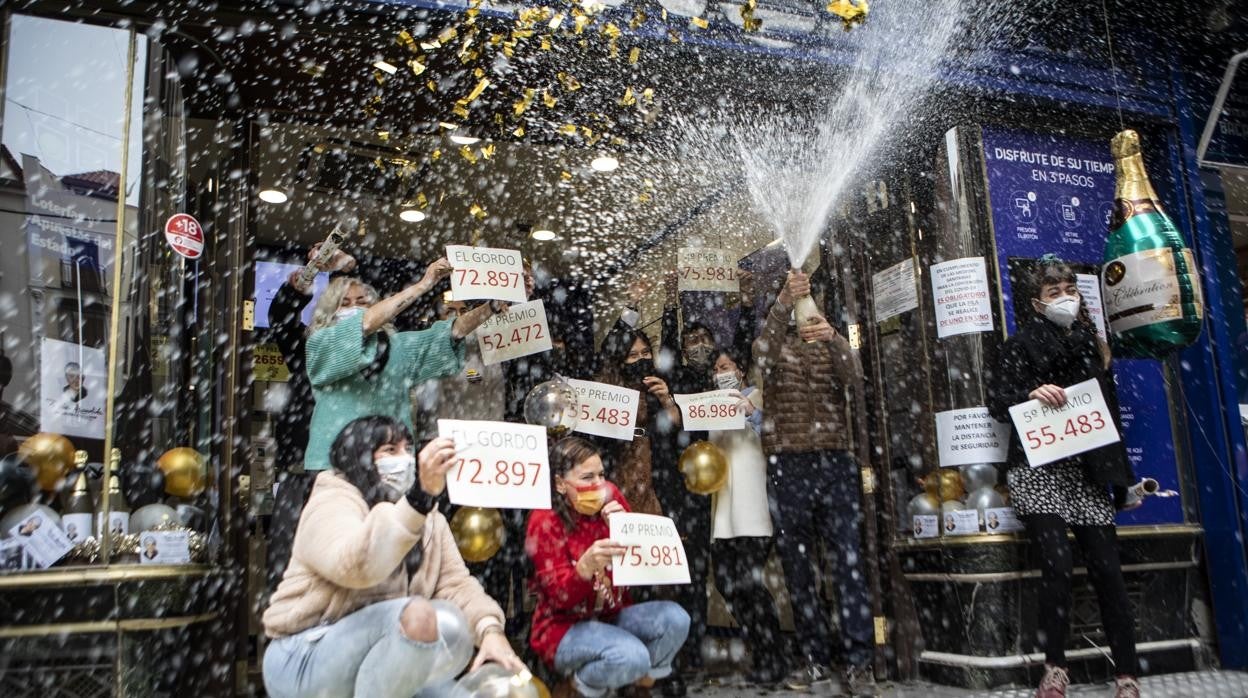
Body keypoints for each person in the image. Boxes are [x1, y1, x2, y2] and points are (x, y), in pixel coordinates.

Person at [262, 415, 524, 698]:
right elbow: (357, 567)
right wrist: (419, 498)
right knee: (419, 616)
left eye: (408, 449)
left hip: (387, 657)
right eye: (390, 450)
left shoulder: (429, 518)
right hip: (305, 656)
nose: (405, 459)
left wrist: (490, 631)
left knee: (454, 657)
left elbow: (456, 585)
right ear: (359, 458)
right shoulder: (331, 501)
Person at [986, 256, 1140, 698]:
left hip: (1088, 470)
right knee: (1055, 566)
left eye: (1070, 290)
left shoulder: (1095, 347)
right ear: (1037, 303)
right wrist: (1030, 394)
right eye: (1054, 292)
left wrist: (1124, 479)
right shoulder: (1017, 347)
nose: (1065, 298)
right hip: (1039, 472)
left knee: (1108, 570)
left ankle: (1126, 674)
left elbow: (1108, 416)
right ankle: (1055, 669)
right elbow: (998, 402)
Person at [753, 270, 875, 695]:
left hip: (836, 461)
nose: (806, 310)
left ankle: (860, 663)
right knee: (799, 571)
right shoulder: (772, 344)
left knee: (848, 563)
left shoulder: (829, 342)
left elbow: (854, 377)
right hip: (788, 465)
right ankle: (815, 661)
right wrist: (784, 298)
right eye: (799, 302)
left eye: (809, 301)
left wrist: (836, 338)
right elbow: (762, 355)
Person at [526, 437, 690, 698]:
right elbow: (559, 599)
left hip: (612, 614)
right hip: (562, 628)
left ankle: (639, 685)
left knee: (676, 619)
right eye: (587, 477)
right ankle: (576, 688)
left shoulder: (610, 496)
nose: (597, 485)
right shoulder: (544, 521)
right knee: (632, 656)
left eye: (601, 475)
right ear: (559, 483)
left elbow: (643, 568)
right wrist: (584, 568)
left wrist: (628, 529)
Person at [301, 258, 501, 473]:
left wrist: (491, 307)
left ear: (375, 305)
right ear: (330, 310)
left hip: (392, 463)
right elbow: (365, 323)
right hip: (333, 461)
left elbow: (452, 332)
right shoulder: (320, 344)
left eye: (362, 302)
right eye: (346, 303)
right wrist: (423, 285)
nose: (356, 309)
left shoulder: (400, 345)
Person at [266, 243, 358, 595]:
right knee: (289, 574)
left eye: (356, 307)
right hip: (301, 476)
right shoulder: (308, 352)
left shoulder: (372, 357)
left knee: (346, 576)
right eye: (339, 307)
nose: (347, 313)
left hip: (351, 480)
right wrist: (303, 281)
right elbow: (280, 321)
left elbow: (359, 317)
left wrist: (346, 271)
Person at [707, 349, 786, 685]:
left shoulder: (759, 395)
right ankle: (759, 644)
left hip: (754, 510)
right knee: (727, 583)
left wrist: (752, 410)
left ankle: (773, 655)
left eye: (725, 366)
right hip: (723, 511)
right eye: (715, 368)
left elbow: (774, 432)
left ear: (739, 369)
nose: (720, 371)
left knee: (749, 584)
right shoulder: (707, 408)